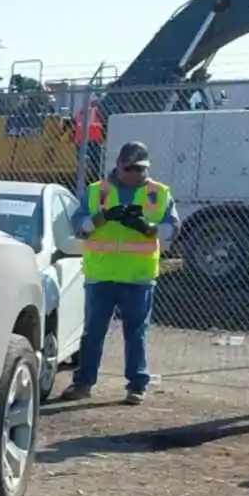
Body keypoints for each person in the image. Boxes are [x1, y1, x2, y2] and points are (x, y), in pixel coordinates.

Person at [55, 141, 180, 405]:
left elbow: (173, 227)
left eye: (141, 169)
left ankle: (137, 385)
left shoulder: (158, 192)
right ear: (119, 165)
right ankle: (83, 383)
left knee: (136, 332)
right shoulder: (96, 191)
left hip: (138, 276)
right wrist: (102, 218)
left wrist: (149, 228)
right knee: (93, 332)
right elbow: (78, 226)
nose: (137, 173)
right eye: (131, 168)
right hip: (101, 274)